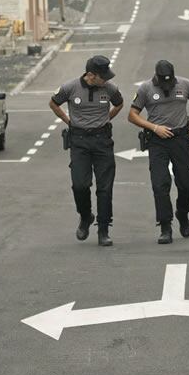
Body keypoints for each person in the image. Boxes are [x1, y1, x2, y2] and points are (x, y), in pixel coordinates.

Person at [128, 60, 189, 244]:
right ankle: (165, 226)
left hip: (180, 138)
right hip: (157, 140)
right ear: (156, 77)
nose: (167, 86)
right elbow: (132, 115)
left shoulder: (185, 84)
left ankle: (182, 213)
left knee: (186, 184)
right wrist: (154, 127)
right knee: (160, 184)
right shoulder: (145, 89)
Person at [49, 55, 123, 246]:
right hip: (79, 140)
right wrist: (68, 121)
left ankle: (104, 229)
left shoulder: (109, 88)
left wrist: (107, 118)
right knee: (80, 185)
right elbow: (54, 103)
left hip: (102, 141)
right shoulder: (70, 88)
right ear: (91, 75)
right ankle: (85, 216)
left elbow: (119, 103)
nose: (106, 79)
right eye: (103, 76)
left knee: (105, 187)